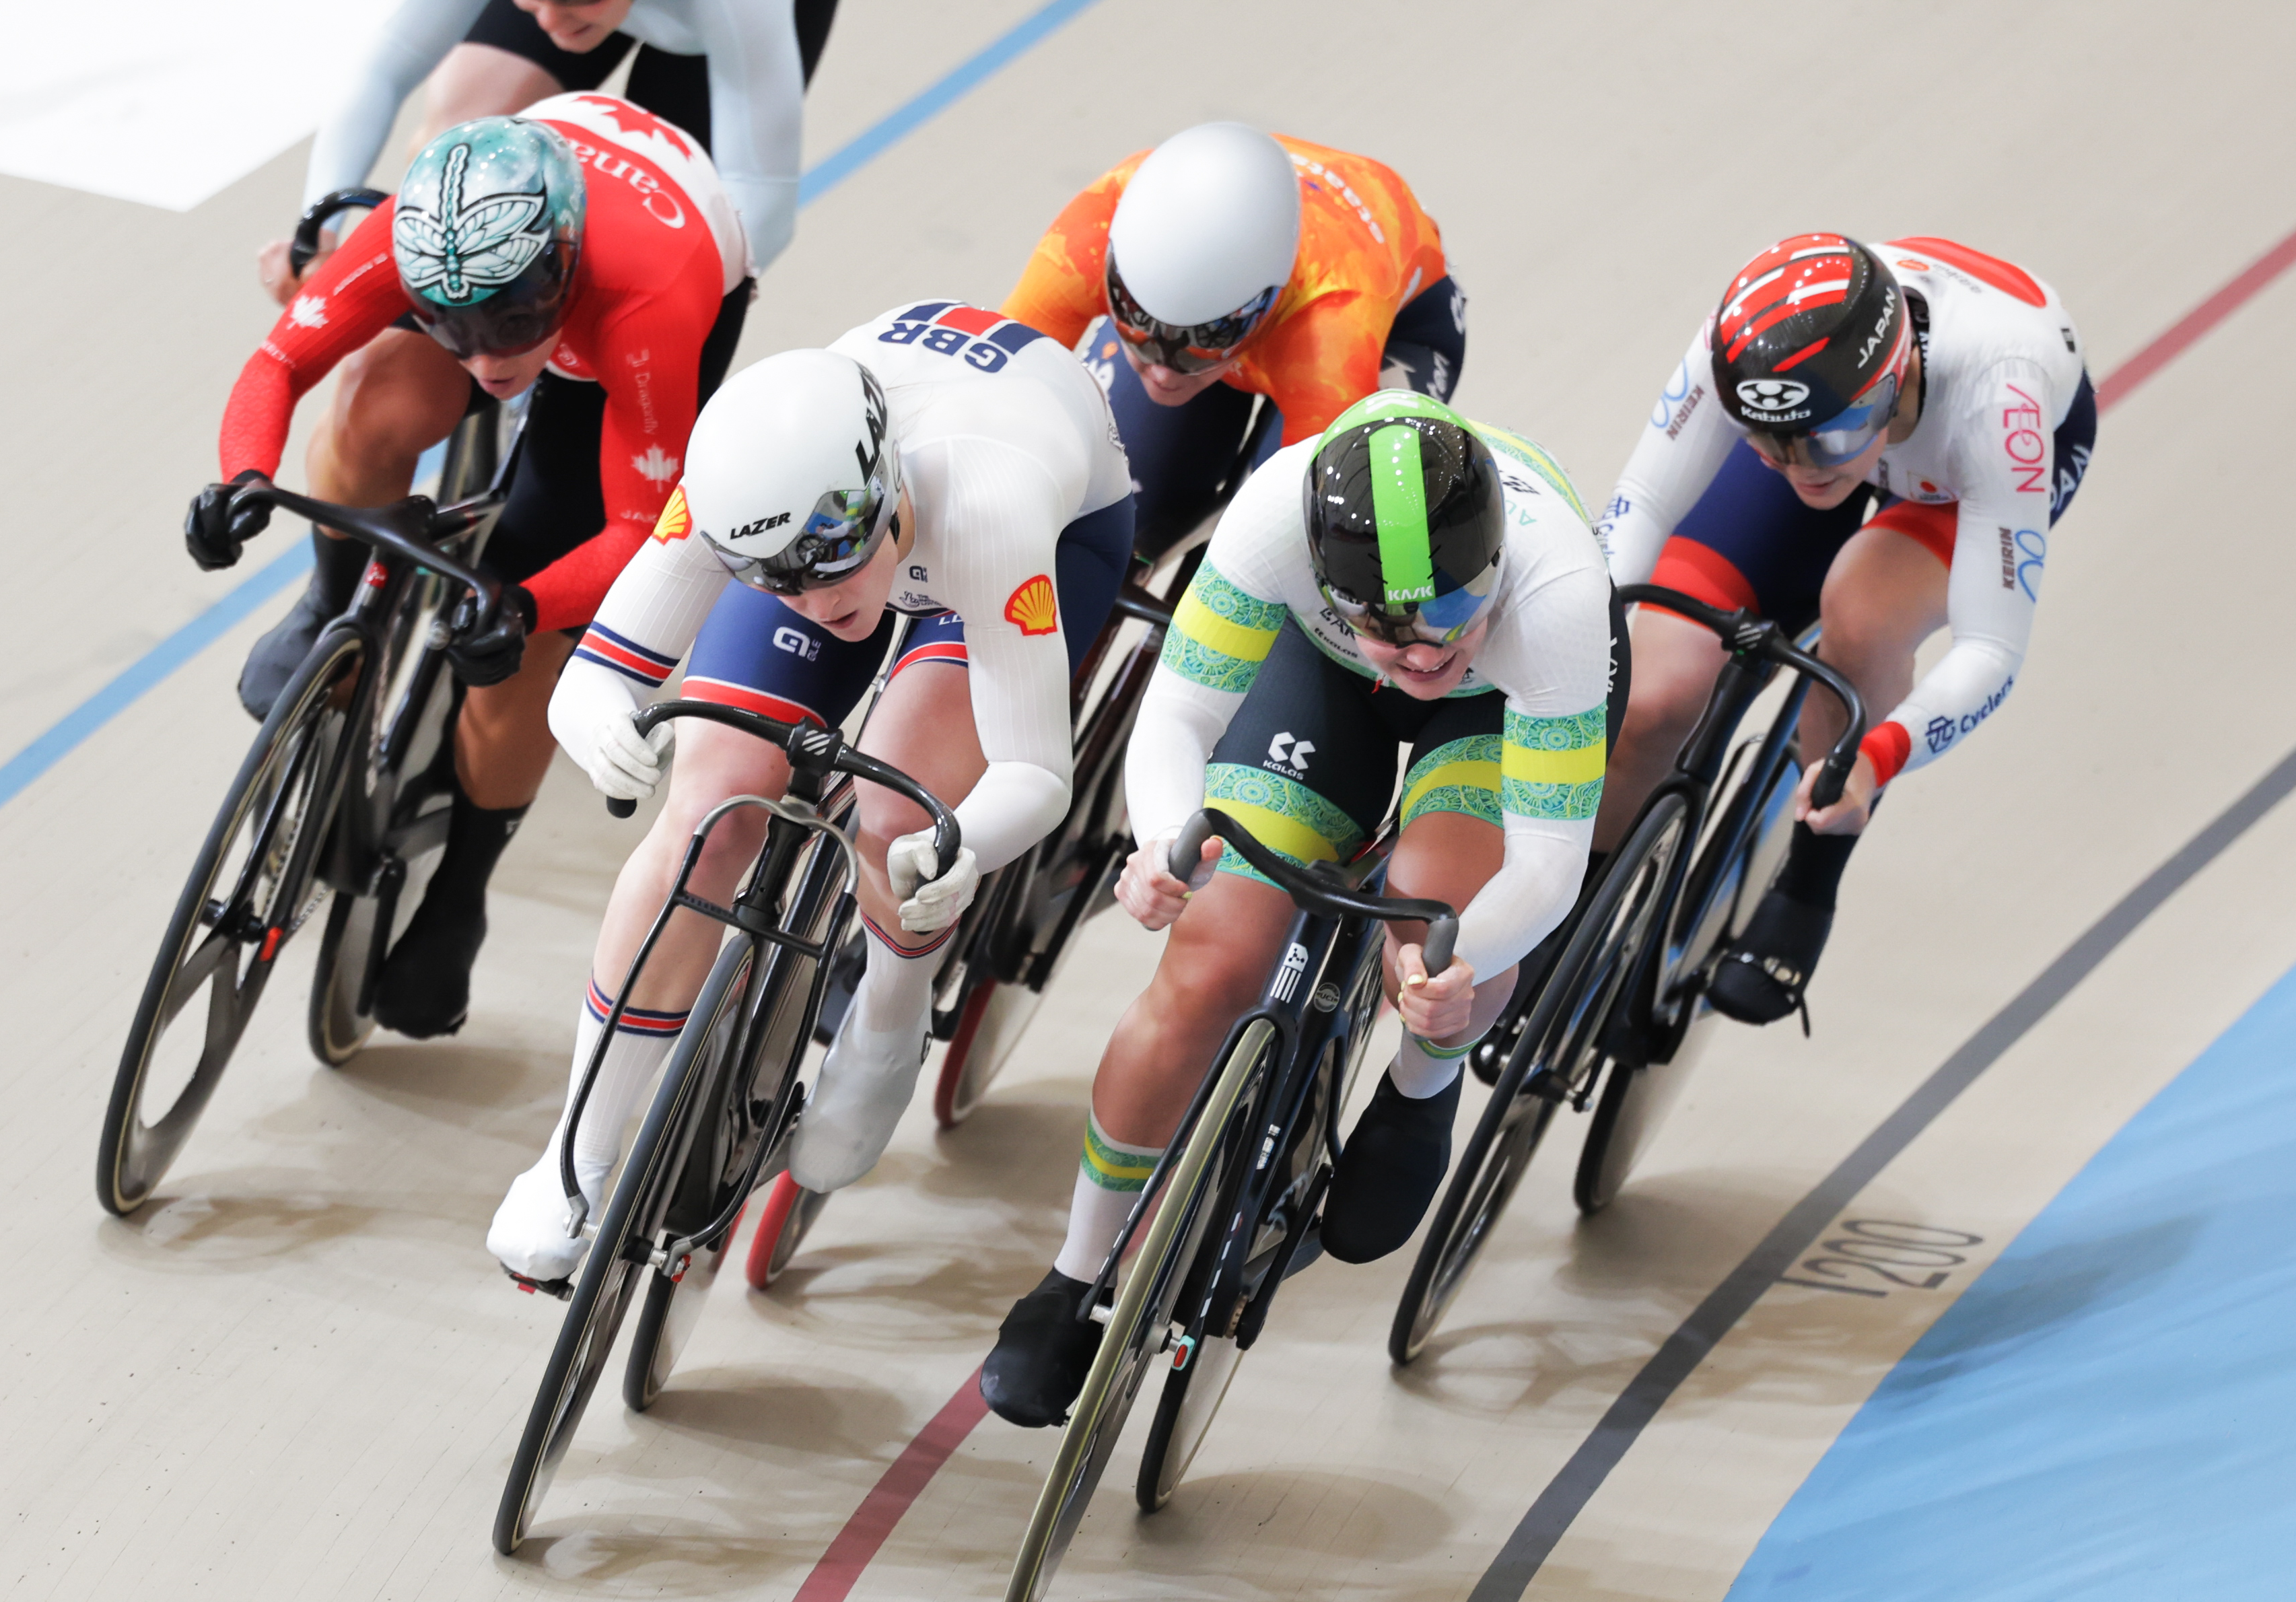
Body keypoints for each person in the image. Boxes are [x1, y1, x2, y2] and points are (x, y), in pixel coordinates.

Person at [978, 392, 1615, 1428]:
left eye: (1450, 616)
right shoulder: (1278, 516)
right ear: (1327, 581)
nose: (1421, 656)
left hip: (1498, 705)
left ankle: (1421, 1087)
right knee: (1212, 962)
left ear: (1493, 569)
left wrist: (1452, 974)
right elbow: (1178, 715)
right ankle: (1074, 1270)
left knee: (1435, 912)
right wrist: (1162, 842)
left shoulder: (1556, 599)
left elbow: (1546, 868)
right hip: (1322, 674)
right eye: (1390, 629)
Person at [487, 300, 1134, 1287]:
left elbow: (1037, 776)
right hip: (846, 494)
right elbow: (602, 670)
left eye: (832, 564)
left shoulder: (993, 505)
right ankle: (572, 1158)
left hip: (1038, 531)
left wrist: (957, 851)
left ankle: (887, 1016)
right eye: (775, 581)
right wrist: (593, 719)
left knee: (900, 812)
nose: (814, 602)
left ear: (878, 495)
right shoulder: (740, 491)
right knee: (709, 814)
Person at [188, 94, 747, 1038]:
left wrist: (527, 605)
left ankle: (461, 892)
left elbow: (646, 534)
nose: (488, 361)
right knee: (374, 407)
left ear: (561, 270)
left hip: (629, 310)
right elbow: (278, 366)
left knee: (535, 630)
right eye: (455, 327)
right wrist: (242, 478)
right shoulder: (412, 238)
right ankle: (330, 610)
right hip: (509, 254)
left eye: (515, 320)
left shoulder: (651, 295)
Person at [1593, 234, 2095, 1022]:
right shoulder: (1747, 343)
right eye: (1764, 444)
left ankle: (1810, 878)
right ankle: (1575, 915)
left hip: (1957, 476)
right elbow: (1639, 507)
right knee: (1655, 693)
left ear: (1893, 382)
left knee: (1859, 616)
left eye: (1823, 443)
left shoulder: (2002, 401)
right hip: (1837, 406)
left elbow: (1992, 648)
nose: (1801, 471)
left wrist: (1875, 757)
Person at [1001, 121, 1465, 563]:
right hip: (1259, 333)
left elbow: (1321, 530)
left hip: (1391, 333)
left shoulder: (1334, 319)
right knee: (1102, 504)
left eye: (1208, 336)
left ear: (1270, 304)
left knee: (1310, 542)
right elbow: (986, 387)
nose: (1163, 371)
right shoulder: (1091, 232)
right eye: (1140, 323)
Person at [260, 0, 835, 302]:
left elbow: (761, 202)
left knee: (690, 221)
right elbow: (382, 70)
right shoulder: (557, 5)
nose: (554, 20)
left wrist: (661, 300)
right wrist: (323, 225)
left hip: (710, 27)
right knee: (454, 138)